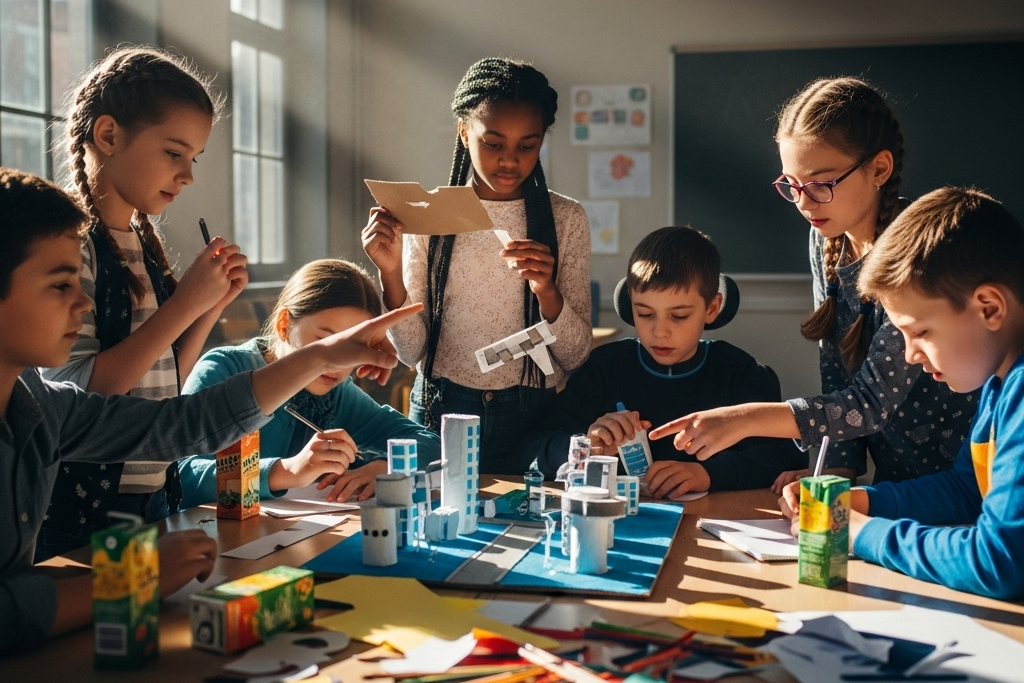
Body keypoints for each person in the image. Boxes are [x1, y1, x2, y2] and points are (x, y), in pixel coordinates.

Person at [0, 168, 417, 654]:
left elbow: (179, 425)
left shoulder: (44, 404)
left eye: (80, 282)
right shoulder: (52, 403)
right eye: (60, 285)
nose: (81, 304)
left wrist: (320, 357)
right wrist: (136, 577)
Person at [649, 77, 976, 488]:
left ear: (879, 168)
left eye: (820, 184)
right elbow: (836, 369)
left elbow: (870, 401)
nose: (803, 202)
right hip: (895, 479)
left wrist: (744, 419)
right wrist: (837, 468)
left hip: (962, 478)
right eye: (792, 184)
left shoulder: (915, 249)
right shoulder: (825, 237)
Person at [37, 48, 249, 559]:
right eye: (174, 153)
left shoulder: (141, 246)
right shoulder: (72, 249)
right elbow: (79, 396)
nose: (188, 175)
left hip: (153, 495)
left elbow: (166, 377)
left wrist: (209, 306)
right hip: (86, 513)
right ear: (108, 135)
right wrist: (184, 306)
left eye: (194, 158)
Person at [779, 188, 1024, 600]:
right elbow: (967, 492)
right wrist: (861, 501)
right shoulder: (998, 384)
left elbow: (998, 562)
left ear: (989, 308)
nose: (910, 355)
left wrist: (861, 533)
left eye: (920, 332)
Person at [362, 57, 592, 473]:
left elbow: (575, 357)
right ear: (464, 131)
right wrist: (390, 273)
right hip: (441, 410)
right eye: (494, 143)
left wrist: (547, 291)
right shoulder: (429, 216)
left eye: (527, 146)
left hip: (533, 419)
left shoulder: (566, 220)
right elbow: (411, 352)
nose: (510, 161)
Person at [523, 226, 803, 498]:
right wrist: (586, 445)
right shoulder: (604, 369)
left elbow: (785, 457)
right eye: (645, 314)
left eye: (679, 316)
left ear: (712, 308)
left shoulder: (738, 372)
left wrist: (709, 474)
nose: (660, 332)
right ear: (629, 304)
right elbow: (534, 448)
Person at [179, 259, 441, 506]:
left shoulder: (336, 392)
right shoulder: (223, 370)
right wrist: (286, 471)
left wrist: (389, 467)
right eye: (324, 341)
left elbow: (431, 444)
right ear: (284, 324)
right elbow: (180, 477)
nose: (338, 363)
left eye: (352, 347)